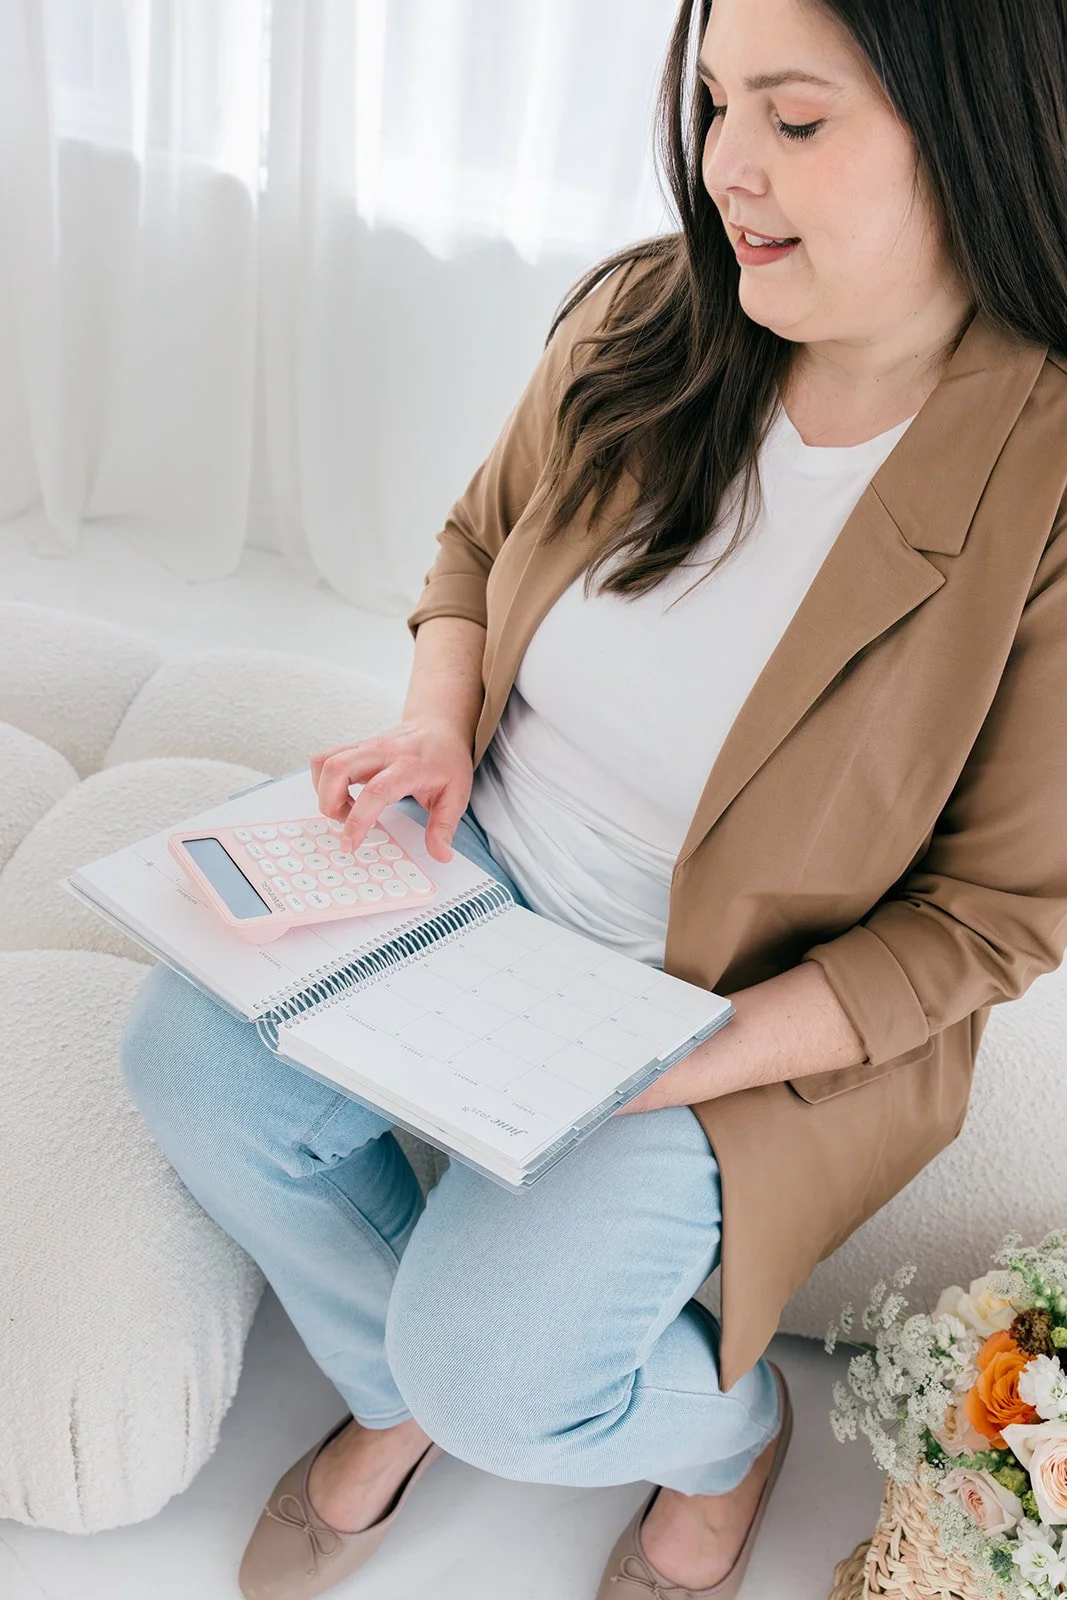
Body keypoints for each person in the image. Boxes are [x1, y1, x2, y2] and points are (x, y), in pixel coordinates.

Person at [119, 0, 1067, 1595]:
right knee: (192, 1064)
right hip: (482, 857)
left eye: (794, 118)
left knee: (510, 1377)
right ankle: (390, 1395)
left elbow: (990, 920)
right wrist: (436, 724)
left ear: (965, 132)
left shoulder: (1039, 481)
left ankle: (721, 1434)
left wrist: (698, 1058)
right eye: (711, 105)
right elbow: (478, 545)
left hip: (738, 1005)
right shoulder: (653, 307)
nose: (722, 171)